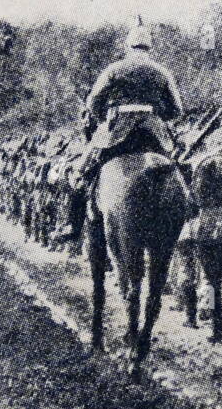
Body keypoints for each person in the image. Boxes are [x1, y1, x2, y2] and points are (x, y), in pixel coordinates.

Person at [54, 22, 183, 245]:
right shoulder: (162, 72)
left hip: (117, 130)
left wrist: (105, 119)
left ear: (128, 46)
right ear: (149, 48)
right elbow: (177, 109)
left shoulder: (113, 70)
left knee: (80, 173)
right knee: (179, 168)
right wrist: (158, 115)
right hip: (154, 131)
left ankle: (72, 225)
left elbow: (93, 102)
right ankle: (188, 212)